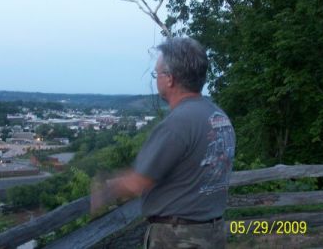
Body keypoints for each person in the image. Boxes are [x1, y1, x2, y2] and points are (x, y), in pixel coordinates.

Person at [91, 37, 235, 248]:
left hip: (179, 238)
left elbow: (138, 182)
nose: (156, 79)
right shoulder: (219, 117)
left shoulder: (176, 124)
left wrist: (104, 189)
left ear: (169, 79)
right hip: (212, 232)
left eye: (156, 74)